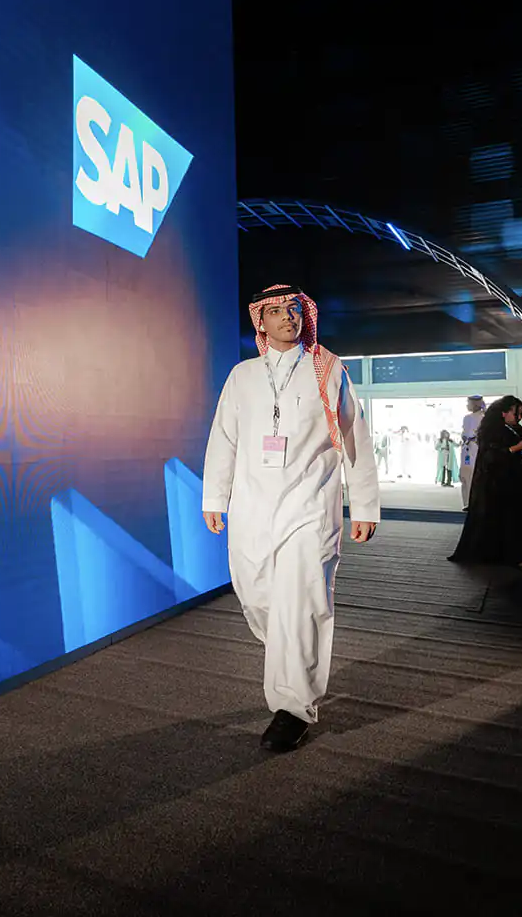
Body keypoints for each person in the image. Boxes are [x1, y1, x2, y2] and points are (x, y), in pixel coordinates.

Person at [202, 284, 380, 753]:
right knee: (258, 597)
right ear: (260, 321)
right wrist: (214, 497)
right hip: (252, 507)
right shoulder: (242, 376)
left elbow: (354, 437)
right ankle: (287, 658)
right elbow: (224, 438)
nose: (287, 317)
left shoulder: (328, 369)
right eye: (276, 311)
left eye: (295, 309)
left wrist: (364, 504)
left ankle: (293, 708)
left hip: (310, 504)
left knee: (301, 606)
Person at [450, 395, 522, 568]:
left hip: (517, 480)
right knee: (506, 520)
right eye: (516, 413)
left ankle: (519, 553)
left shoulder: (515, 428)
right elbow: (491, 456)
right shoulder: (492, 430)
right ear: (504, 413)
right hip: (499, 483)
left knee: (517, 520)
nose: (519, 417)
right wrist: (518, 447)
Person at [458, 395, 486, 509]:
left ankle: (477, 502)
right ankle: (467, 502)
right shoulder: (466, 418)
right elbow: (465, 432)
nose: (467, 405)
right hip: (466, 449)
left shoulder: (484, 417)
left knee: (476, 476)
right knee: (465, 476)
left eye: (468, 403)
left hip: (477, 449)